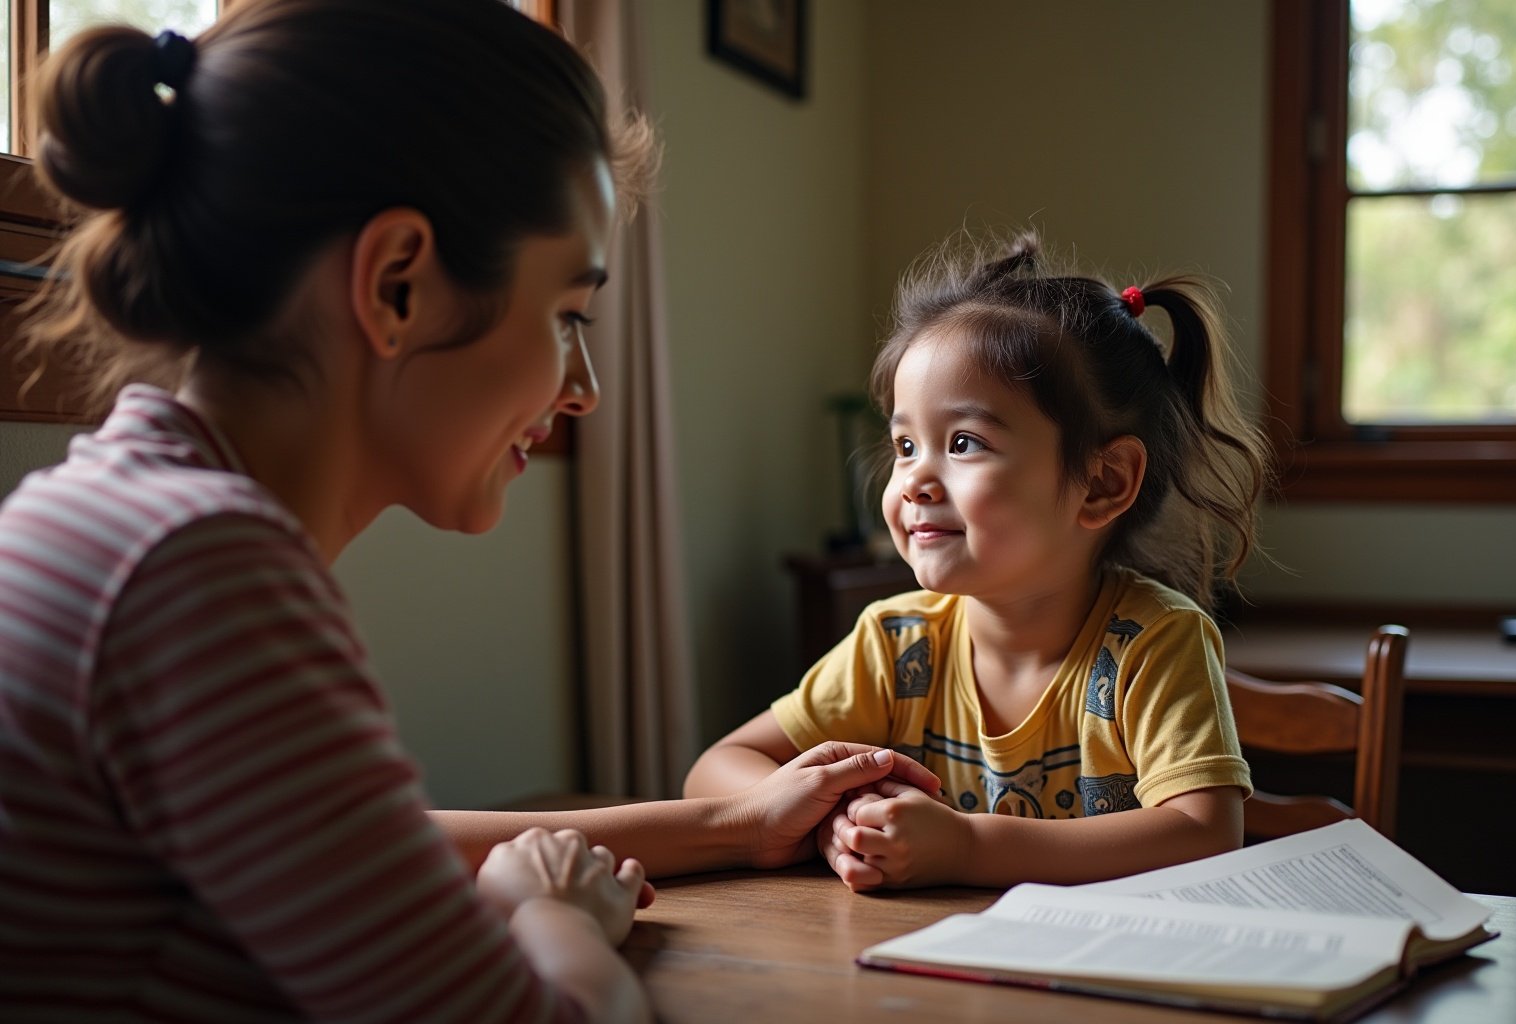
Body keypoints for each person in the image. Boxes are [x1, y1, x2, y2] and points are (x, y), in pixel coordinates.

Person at [0, 2, 937, 1021]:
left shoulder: (113, 520)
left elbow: (368, 839)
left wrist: (736, 825)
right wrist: (555, 917)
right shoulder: (201, 571)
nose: (582, 389)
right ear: (396, 284)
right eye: (566, 316)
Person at [685, 232, 1272, 892]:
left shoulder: (1155, 645)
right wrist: (838, 818)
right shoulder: (897, 644)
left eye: (963, 442)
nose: (914, 480)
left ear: (1103, 482)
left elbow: (1207, 834)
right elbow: (719, 766)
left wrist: (966, 845)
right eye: (905, 445)